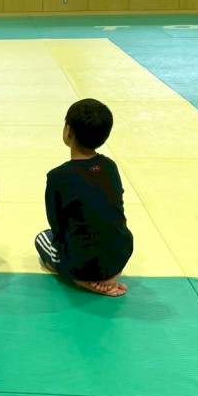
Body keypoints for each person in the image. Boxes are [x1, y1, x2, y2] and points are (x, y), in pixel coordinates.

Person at [35, 99, 133, 297]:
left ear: (68, 132)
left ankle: (82, 280)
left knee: (42, 238)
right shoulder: (109, 166)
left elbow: (57, 225)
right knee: (107, 234)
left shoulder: (57, 176)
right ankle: (110, 276)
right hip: (120, 253)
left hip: (81, 262)